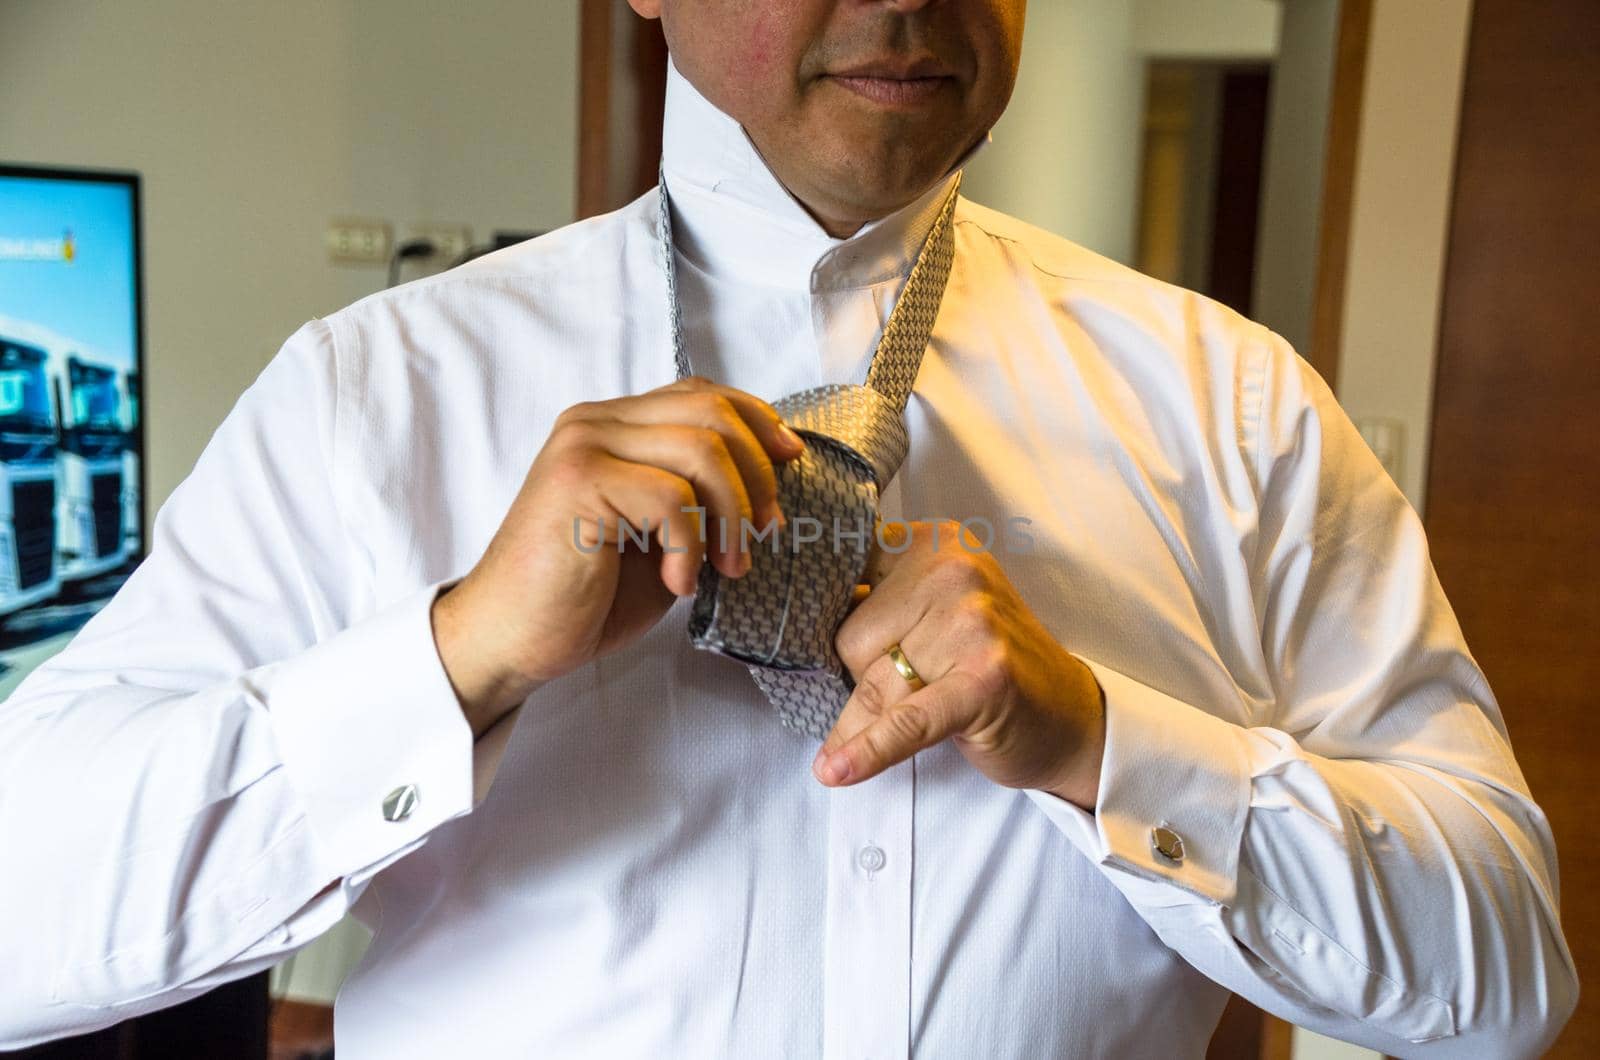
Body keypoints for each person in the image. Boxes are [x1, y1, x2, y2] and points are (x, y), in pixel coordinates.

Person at [0, 1, 1577, 1056]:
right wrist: (457, 658)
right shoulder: (376, 398)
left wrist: (1108, 742)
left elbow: (1509, 973)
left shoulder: (1237, 414)